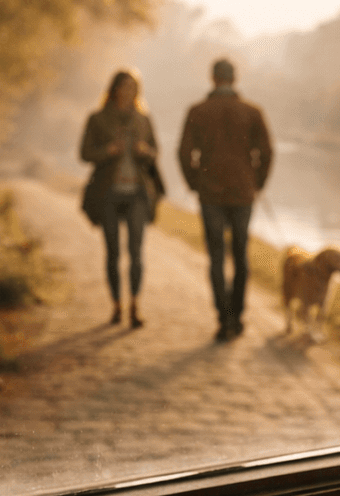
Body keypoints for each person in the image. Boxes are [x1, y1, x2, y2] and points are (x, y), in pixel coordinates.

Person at [177, 58, 274, 341]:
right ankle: (238, 314)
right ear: (235, 78)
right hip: (243, 192)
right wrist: (258, 183)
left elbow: (184, 153)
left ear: (212, 78)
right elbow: (267, 153)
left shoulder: (198, 111)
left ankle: (223, 317)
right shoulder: (252, 112)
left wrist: (194, 182)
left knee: (217, 256)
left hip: (210, 192)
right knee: (241, 255)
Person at [80, 69, 164, 329]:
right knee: (113, 252)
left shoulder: (144, 119)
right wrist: (108, 151)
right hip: (108, 193)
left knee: (136, 252)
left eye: (134, 87)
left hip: (138, 193)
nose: (129, 91)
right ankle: (117, 305)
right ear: (114, 89)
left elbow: (155, 152)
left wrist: (145, 151)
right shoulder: (98, 119)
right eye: (125, 86)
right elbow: (84, 153)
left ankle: (135, 305)